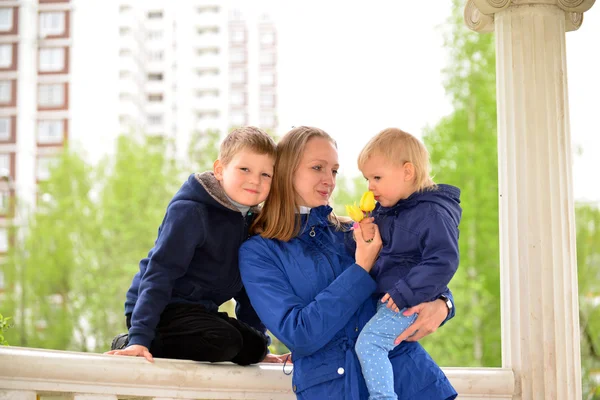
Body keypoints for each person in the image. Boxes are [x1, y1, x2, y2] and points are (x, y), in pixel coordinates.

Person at [238, 126, 457, 399]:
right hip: (334, 390)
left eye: (334, 170)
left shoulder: (352, 232)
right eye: (317, 168)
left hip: (412, 382)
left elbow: (418, 264)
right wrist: (360, 269)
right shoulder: (260, 252)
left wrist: (444, 304)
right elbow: (300, 334)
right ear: (286, 170)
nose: (329, 180)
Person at [106, 126, 284, 365]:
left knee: (254, 348)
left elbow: (249, 290)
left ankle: (249, 344)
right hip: (160, 308)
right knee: (224, 342)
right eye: (245, 169)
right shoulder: (192, 211)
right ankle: (128, 340)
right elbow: (160, 273)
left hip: (199, 313)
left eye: (266, 175)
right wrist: (140, 337)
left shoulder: (253, 223)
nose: (255, 180)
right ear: (220, 170)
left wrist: (260, 345)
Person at [354, 128, 461, 400]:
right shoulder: (390, 210)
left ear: (407, 172)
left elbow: (443, 260)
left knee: (370, 343)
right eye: (367, 178)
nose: (370, 186)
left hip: (407, 302)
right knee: (373, 342)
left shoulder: (433, 213)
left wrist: (406, 293)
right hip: (394, 299)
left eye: (377, 177)